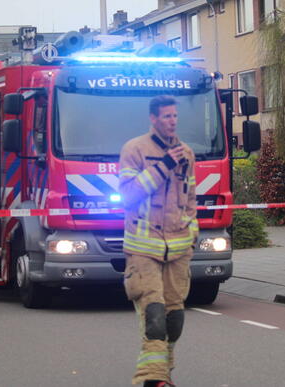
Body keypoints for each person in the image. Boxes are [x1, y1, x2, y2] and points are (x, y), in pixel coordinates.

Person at [119, 95, 198, 387]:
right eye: (167, 116)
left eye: (175, 116)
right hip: (143, 249)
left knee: (174, 319)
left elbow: (190, 199)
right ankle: (152, 380)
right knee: (154, 315)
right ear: (153, 119)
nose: (172, 121)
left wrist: (193, 236)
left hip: (178, 249)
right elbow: (129, 195)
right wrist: (163, 165)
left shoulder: (187, 153)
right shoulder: (134, 150)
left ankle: (162, 372)